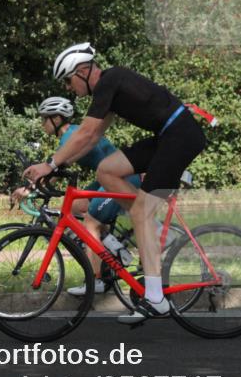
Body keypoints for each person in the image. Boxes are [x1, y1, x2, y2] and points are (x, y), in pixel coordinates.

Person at [23, 43, 206, 324]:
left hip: (180, 135)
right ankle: (150, 226)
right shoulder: (108, 88)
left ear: (83, 71)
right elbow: (92, 138)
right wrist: (57, 164)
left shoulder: (110, 80)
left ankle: (155, 298)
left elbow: (85, 133)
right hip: (169, 135)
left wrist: (50, 164)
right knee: (106, 169)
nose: (69, 88)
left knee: (139, 212)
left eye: (68, 80)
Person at [13, 96, 141, 295]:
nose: (41, 124)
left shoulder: (69, 137)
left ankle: (98, 278)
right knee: (74, 207)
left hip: (121, 179)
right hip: (109, 178)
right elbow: (55, 169)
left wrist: (29, 190)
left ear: (56, 119)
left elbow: (54, 171)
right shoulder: (71, 134)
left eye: (44, 119)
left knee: (90, 222)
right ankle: (111, 250)